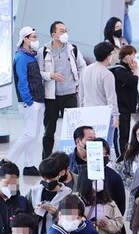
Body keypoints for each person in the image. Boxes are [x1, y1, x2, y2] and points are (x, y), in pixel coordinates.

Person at [39, 21, 86, 159]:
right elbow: (39, 72)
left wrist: (78, 83)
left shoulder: (72, 49)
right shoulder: (44, 51)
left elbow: (82, 66)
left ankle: (74, 159)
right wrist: (51, 75)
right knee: (49, 130)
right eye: (61, 31)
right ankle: (46, 159)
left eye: (66, 30)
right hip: (51, 96)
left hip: (70, 94)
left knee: (73, 130)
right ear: (53, 34)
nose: (65, 33)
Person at [7, 27, 46, 176]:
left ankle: (29, 164)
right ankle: (9, 160)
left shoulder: (31, 56)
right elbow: (21, 81)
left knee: (34, 135)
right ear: (25, 39)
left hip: (38, 100)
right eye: (33, 37)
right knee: (29, 134)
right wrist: (28, 101)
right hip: (30, 102)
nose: (36, 40)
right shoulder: (21, 57)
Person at [28, 155, 74, 234]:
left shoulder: (67, 194)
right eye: (45, 179)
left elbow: (71, 221)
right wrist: (35, 213)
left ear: (60, 174)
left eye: (52, 179)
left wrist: (55, 213)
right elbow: (25, 212)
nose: (48, 182)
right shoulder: (34, 192)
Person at [81, 42, 120, 136]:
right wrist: (116, 116)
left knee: (90, 141)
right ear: (108, 56)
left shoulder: (85, 70)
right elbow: (111, 97)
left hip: (87, 112)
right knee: (105, 144)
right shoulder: (107, 74)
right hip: (103, 114)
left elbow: (81, 94)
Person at [112, 45, 139, 160]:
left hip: (126, 108)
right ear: (127, 56)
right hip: (121, 108)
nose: (134, 58)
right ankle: (121, 157)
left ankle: (124, 156)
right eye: (133, 55)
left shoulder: (126, 70)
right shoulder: (119, 70)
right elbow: (133, 82)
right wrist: (136, 71)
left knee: (125, 133)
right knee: (122, 135)